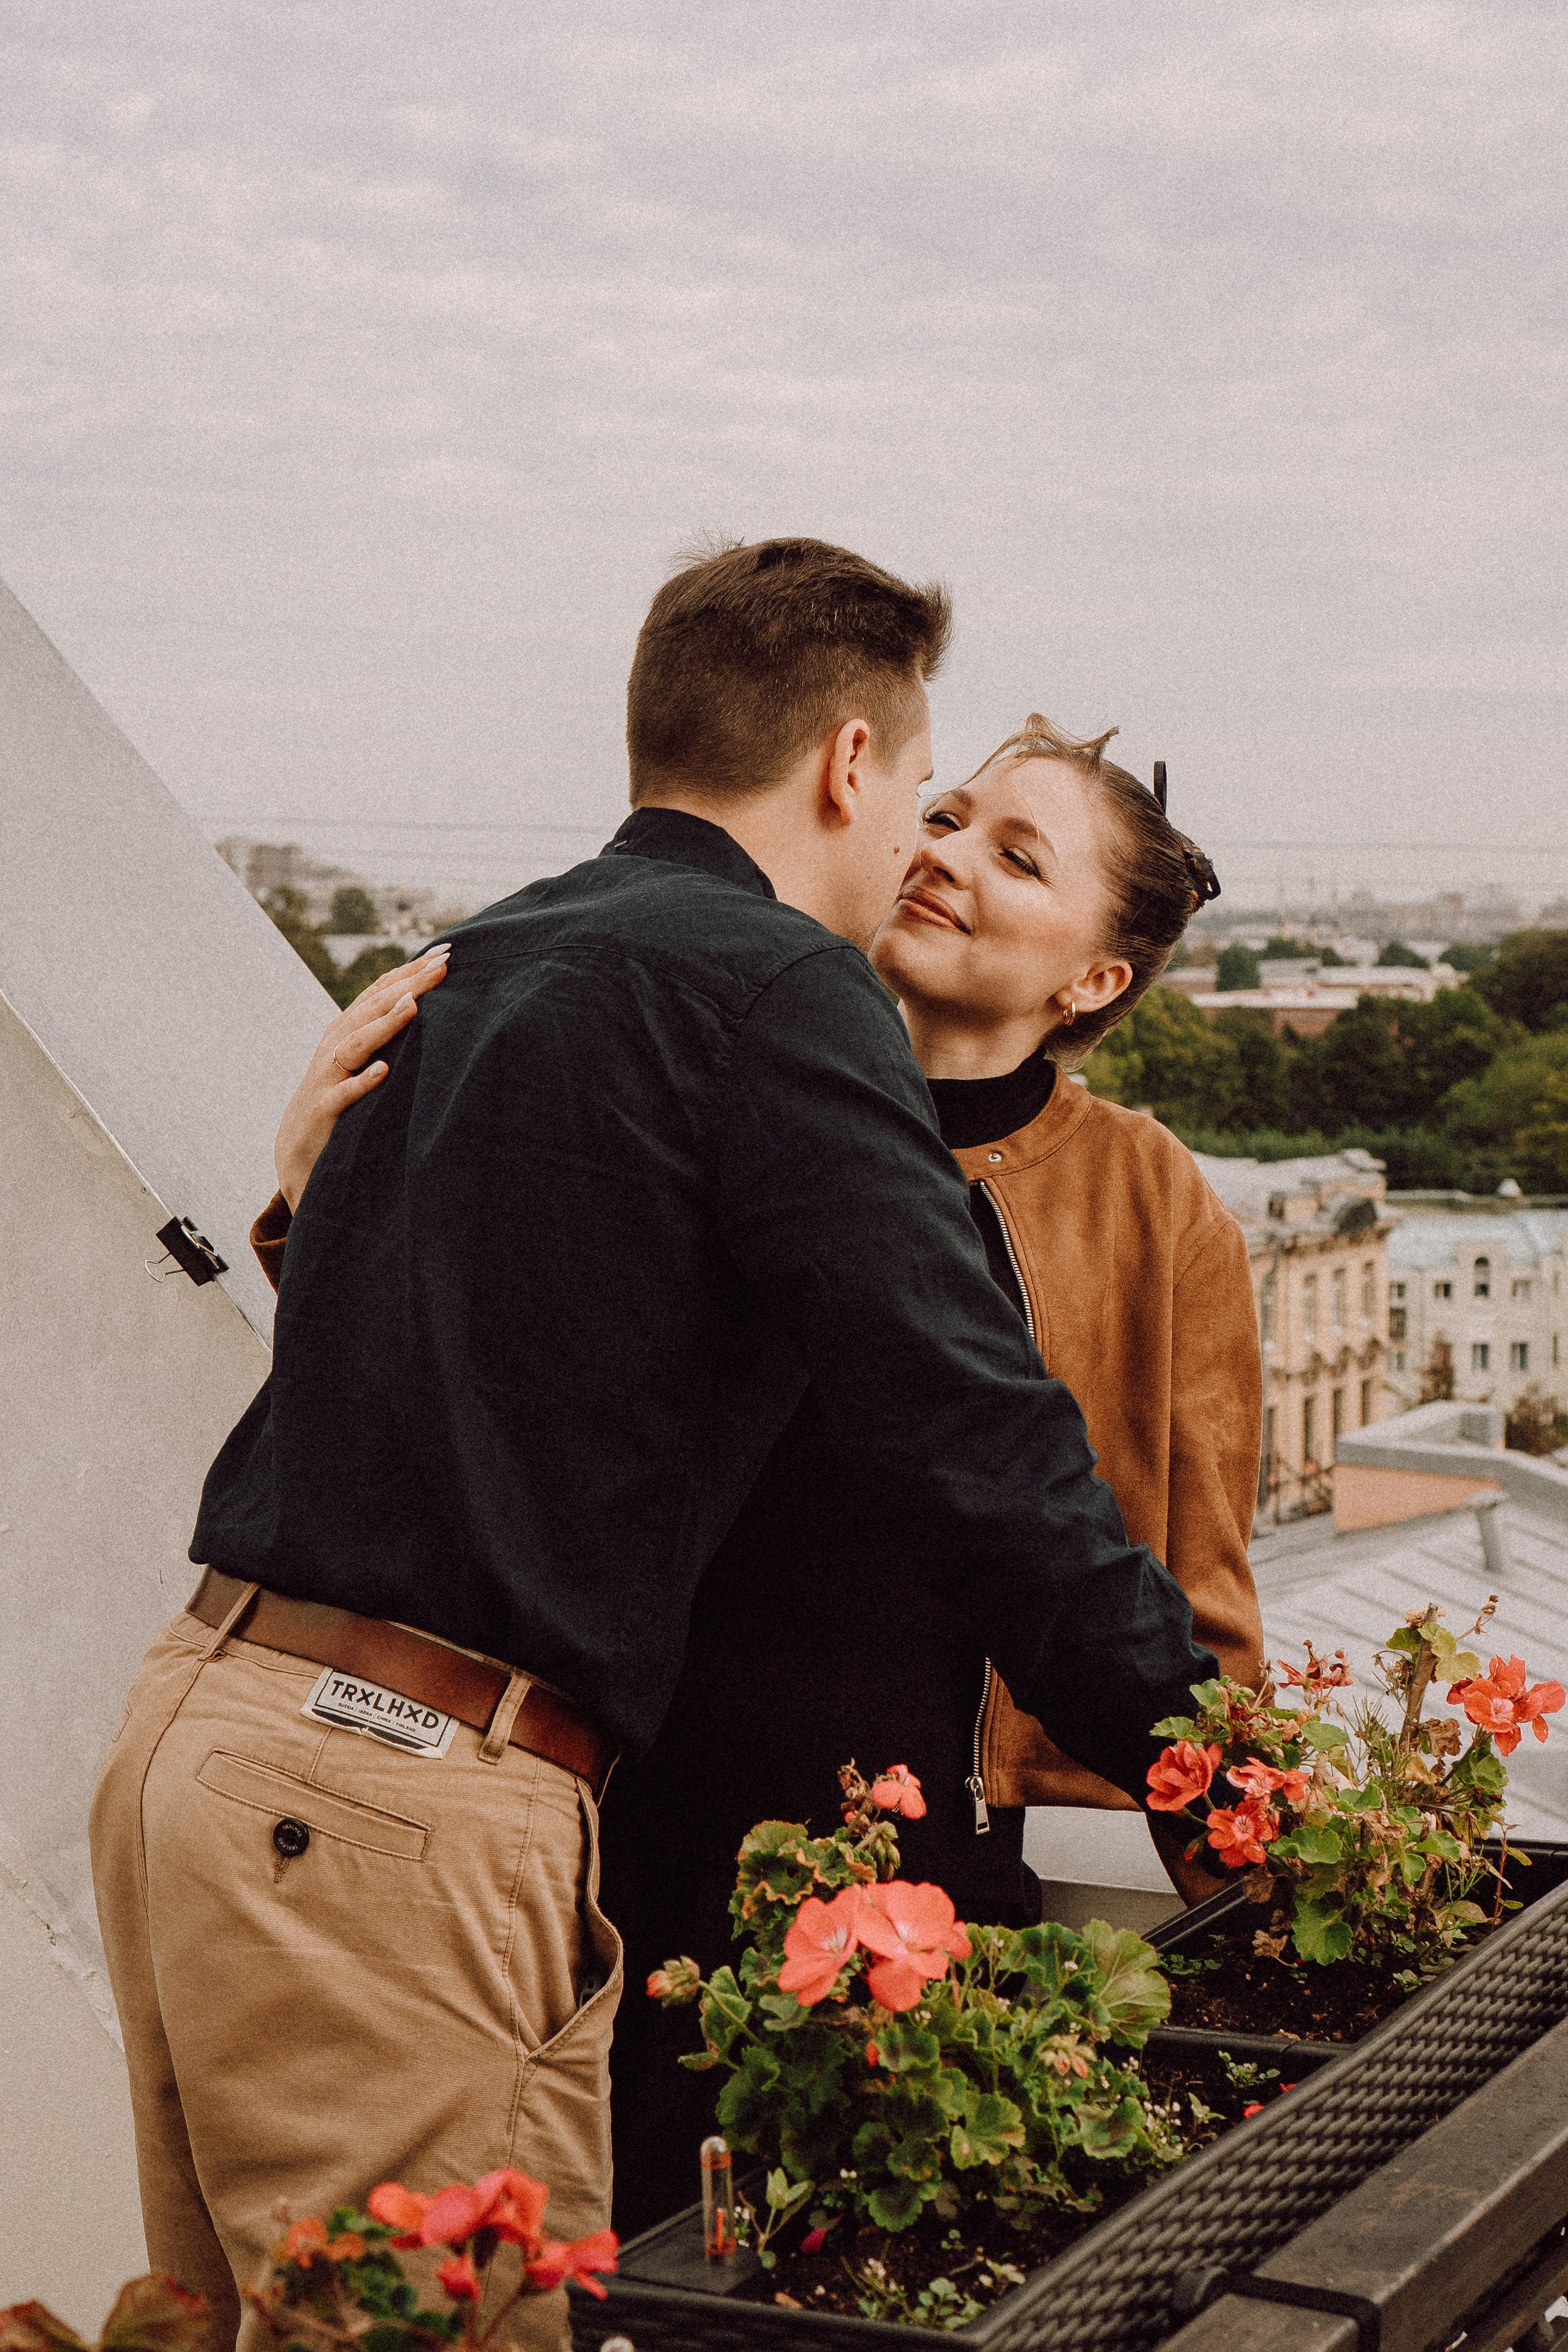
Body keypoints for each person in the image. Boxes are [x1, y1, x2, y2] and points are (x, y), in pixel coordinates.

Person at [90, 538, 1219, 2344]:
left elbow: (496, 1356)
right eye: (926, 794)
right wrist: (1232, 1787)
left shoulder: (480, 955)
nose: (919, 842)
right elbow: (979, 1445)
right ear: (847, 763)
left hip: (201, 1750)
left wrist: (308, 1215)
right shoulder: (780, 991)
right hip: (397, 1801)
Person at [257, 713, 1265, 2239]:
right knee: (623, 2258)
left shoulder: (1147, 1198)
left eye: (1014, 854)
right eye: (940, 815)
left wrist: (1253, 1857)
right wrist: (308, 1207)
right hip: (628, 1822)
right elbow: (490, 1372)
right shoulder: (728, 1066)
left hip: (923, 1856)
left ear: (1094, 980)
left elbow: (1194, 1563)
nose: (939, 857)